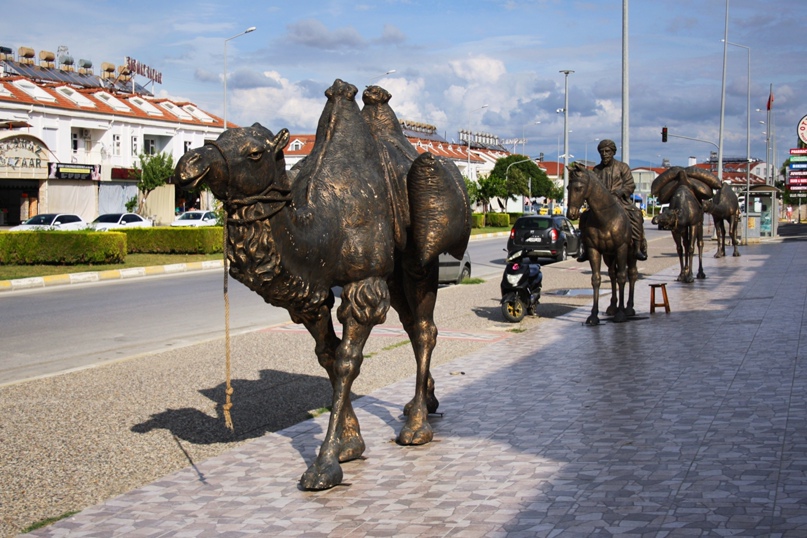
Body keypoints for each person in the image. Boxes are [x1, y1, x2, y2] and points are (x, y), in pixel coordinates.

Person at [577, 139, 648, 262]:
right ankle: (586, 248)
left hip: (620, 201)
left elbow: (630, 185)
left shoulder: (622, 167)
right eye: (602, 152)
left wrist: (620, 192)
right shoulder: (596, 170)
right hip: (601, 205)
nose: (604, 154)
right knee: (584, 218)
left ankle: (637, 247)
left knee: (636, 215)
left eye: (607, 151)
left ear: (613, 152)